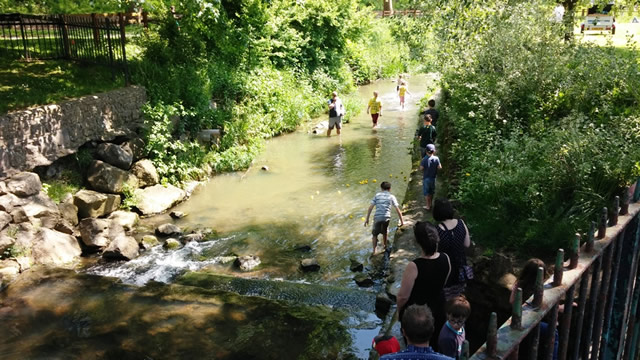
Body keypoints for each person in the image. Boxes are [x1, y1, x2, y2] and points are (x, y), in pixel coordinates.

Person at [396, 221, 451, 350]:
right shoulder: (446, 258)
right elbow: (443, 283)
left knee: (415, 345)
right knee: (435, 342)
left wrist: (399, 312)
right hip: (438, 308)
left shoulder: (414, 266)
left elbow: (403, 297)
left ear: (418, 242)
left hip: (417, 315)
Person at [509, 258, 559, 360]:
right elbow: (546, 305)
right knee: (552, 332)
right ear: (542, 274)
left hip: (520, 322)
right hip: (536, 324)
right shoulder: (542, 288)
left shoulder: (519, 285)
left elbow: (512, 301)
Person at [433, 198, 471, 299]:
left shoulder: (437, 230)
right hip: (461, 267)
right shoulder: (461, 223)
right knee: (459, 295)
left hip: (445, 269)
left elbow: (434, 253)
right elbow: (467, 244)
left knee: (446, 297)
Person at [365, 181, 405, 255]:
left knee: (374, 234)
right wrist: (402, 222)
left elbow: (370, 208)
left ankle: (374, 251)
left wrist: (367, 219)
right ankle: (385, 246)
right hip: (386, 217)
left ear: (381, 188)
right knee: (385, 232)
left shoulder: (377, 195)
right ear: (390, 189)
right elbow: (397, 209)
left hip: (377, 217)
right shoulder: (391, 196)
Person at [438, 295, 471, 359]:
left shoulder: (462, 326)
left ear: (466, 318)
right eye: (452, 320)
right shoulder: (448, 339)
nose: (455, 325)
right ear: (447, 315)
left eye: (459, 322)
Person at [419, 144, 442, 210]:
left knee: (426, 193)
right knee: (431, 191)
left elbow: (421, 168)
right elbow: (439, 167)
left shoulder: (424, 159)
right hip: (433, 178)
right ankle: (431, 204)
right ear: (434, 151)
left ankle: (428, 206)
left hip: (426, 178)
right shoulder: (436, 158)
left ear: (426, 151)